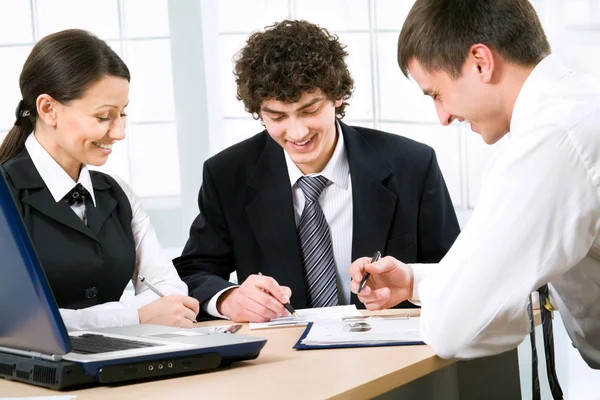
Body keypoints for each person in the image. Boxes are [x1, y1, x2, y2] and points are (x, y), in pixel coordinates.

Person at [350, 0, 600, 372]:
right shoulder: (580, 102)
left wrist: (443, 297)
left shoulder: (549, 141)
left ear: (481, 61)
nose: (444, 117)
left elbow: (455, 328)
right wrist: (416, 283)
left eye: (436, 93)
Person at [174, 20, 460, 323]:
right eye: (277, 116)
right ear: (258, 111)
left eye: (310, 110)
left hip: (395, 359)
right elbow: (193, 271)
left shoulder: (412, 164)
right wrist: (229, 299)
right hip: (282, 362)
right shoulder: (227, 175)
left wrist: (412, 284)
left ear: (336, 95)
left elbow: (457, 274)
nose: (297, 133)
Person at [0, 29, 200, 331]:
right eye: (104, 117)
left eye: (123, 114)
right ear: (48, 109)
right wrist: (134, 316)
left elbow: (169, 291)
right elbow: (14, 321)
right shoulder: (5, 194)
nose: (119, 132)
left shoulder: (117, 193)